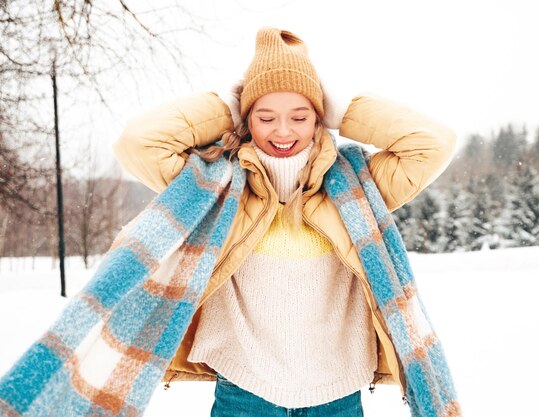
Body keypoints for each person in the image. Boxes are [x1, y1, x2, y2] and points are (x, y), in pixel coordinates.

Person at [113, 27, 458, 417]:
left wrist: (344, 111)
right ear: (247, 121)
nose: (282, 131)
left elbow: (434, 143)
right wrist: (229, 107)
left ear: (318, 118)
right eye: (265, 117)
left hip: (337, 393)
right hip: (244, 390)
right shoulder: (214, 187)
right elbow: (137, 142)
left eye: (299, 115)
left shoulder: (359, 187)